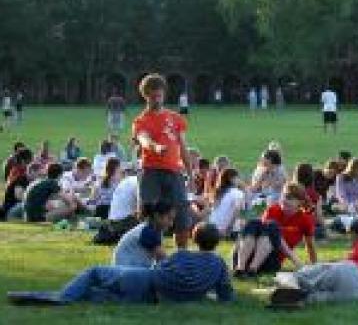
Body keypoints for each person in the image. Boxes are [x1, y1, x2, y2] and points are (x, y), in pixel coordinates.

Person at [8, 222, 234, 305]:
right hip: (157, 300)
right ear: (217, 243)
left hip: (148, 282)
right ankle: (50, 297)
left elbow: (159, 269)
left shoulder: (182, 255)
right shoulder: (219, 266)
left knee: (95, 272)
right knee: (99, 295)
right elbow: (226, 296)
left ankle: (60, 298)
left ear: (195, 238)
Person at [270, 217, 358, 307]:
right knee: (316, 297)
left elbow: (347, 265)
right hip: (356, 293)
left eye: (353, 238)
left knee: (306, 276)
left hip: (350, 271)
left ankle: (287, 283)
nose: (352, 243)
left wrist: (331, 263)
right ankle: (298, 300)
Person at [133, 73, 192, 249]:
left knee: (181, 215)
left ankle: (181, 256)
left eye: (159, 95)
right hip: (151, 172)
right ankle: (151, 255)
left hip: (174, 172)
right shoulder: (140, 121)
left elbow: (183, 146)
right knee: (150, 216)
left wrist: (190, 171)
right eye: (153, 96)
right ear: (146, 96)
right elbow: (143, 139)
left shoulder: (176, 119)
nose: (157, 99)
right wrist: (155, 147)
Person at [233, 183, 317, 277]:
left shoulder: (305, 219)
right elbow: (257, 232)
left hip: (270, 260)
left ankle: (253, 269)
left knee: (272, 226)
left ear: (300, 202)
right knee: (254, 222)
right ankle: (240, 268)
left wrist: (315, 266)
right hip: (248, 255)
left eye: (289, 198)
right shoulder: (272, 210)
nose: (284, 200)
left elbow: (310, 246)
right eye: (283, 196)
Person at [113, 200, 175, 268]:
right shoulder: (148, 232)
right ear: (157, 216)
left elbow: (160, 261)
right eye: (169, 218)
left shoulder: (152, 229)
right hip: (128, 272)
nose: (171, 224)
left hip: (130, 270)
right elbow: (163, 258)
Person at [208, 168, 245, 237]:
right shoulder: (237, 193)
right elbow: (237, 212)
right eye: (238, 178)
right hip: (228, 230)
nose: (239, 180)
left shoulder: (218, 192)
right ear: (232, 179)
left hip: (212, 228)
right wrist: (228, 229)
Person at [1, 148, 33, 220]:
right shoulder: (20, 174)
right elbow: (18, 196)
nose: (31, 163)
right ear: (24, 161)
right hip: (12, 209)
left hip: (9, 207)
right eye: (30, 161)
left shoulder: (14, 170)